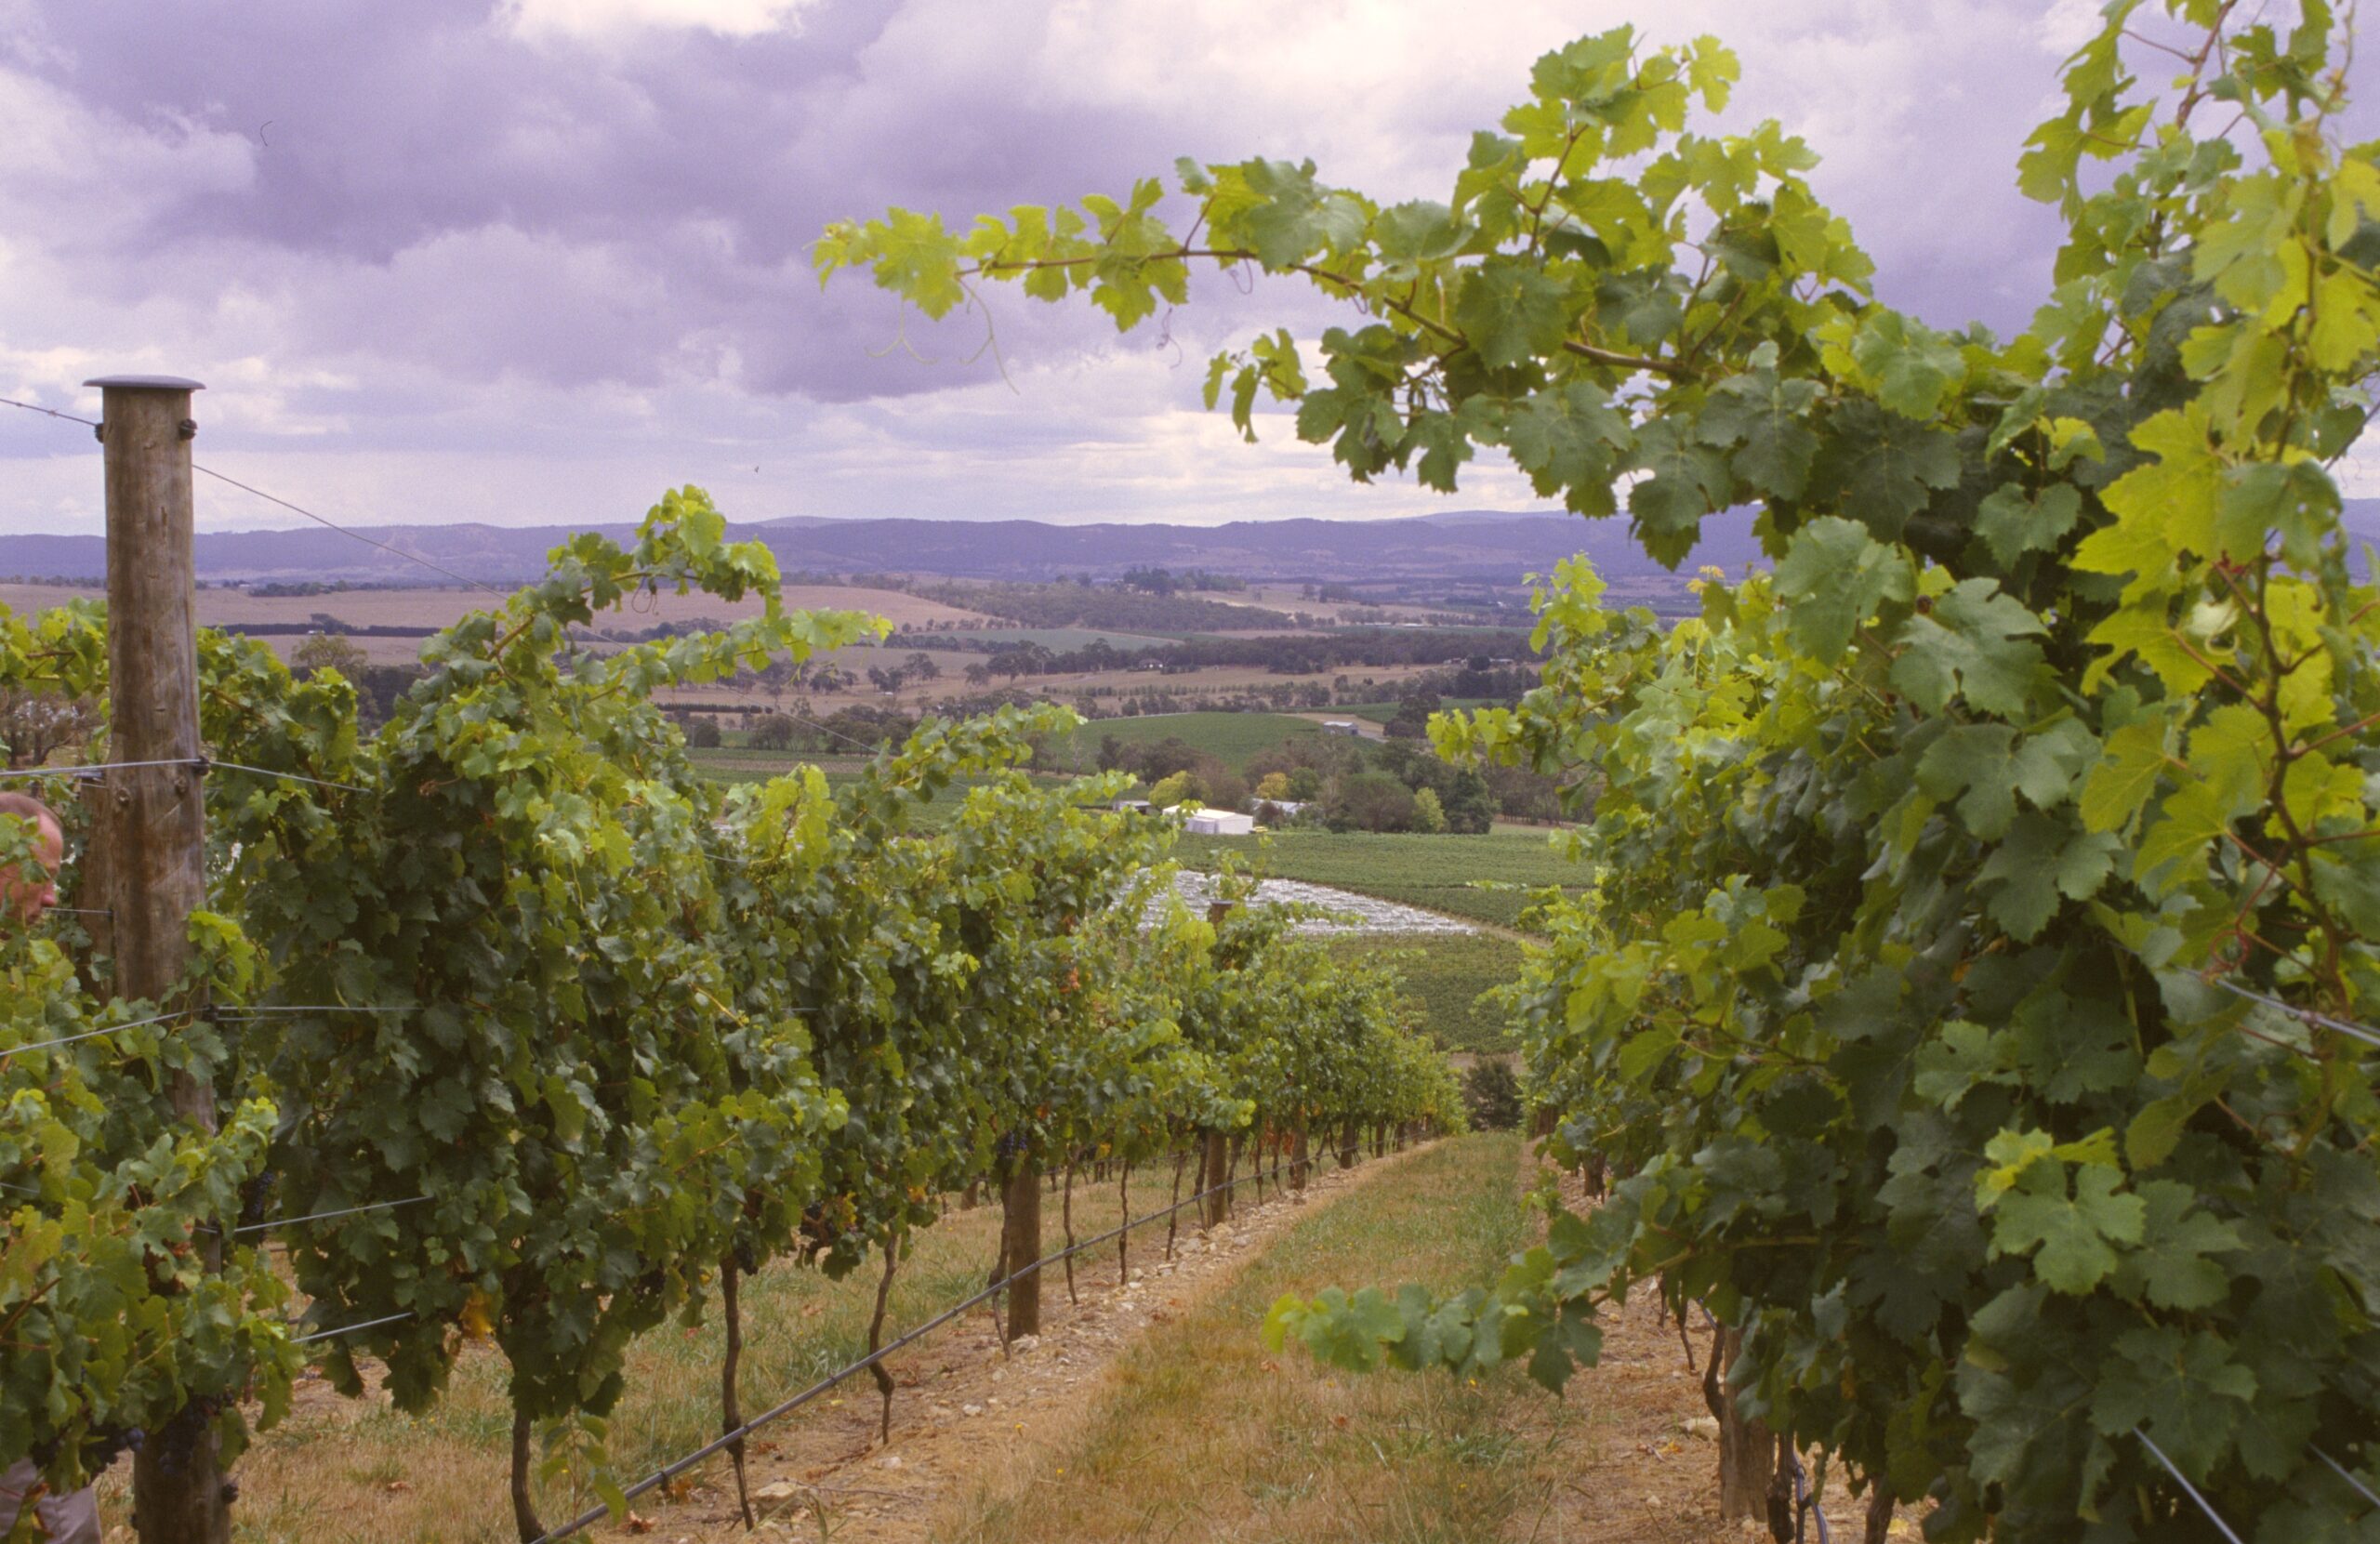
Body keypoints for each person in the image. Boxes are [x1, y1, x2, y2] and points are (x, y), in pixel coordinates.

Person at [0, 790, 102, 1543]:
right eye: (42, 869)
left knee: (65, 1515)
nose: (54, 890)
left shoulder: (25, 976)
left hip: (27, 1314)